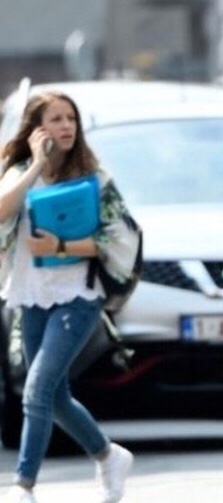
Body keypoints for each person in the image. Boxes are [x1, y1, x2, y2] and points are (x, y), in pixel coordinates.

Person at [0, 92, 136, 503]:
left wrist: (61, 246)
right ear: (35, 128)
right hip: (31, 294)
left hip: (78, 295)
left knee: (37, 388)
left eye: (70, 119)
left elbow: (120, 238)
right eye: (56, 119)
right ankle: (108, 455)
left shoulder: (94, 177)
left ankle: (24, 485)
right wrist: (35, 166)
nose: (66, 126)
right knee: (54, 396)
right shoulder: (19, 172)